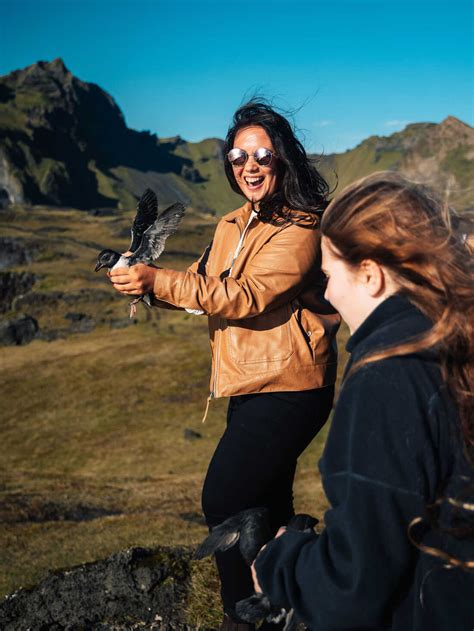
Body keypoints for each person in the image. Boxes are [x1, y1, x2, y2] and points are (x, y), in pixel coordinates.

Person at [108, 100, 340, 628]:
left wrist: (157, 282)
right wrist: (144, 282)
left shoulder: (301, 227)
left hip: (293, 385)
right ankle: (291, 588)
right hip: (249, 385)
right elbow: (201, 290)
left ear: (282, 158)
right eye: (237, 156)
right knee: (264, 499)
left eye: (261, 154)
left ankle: (243, 615)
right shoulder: (231, 223)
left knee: (224, 499)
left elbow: (248, 295)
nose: (249, 165)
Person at [252, 171, 474, 630]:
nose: (327, 294)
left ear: (370, 275)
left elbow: (352, 588)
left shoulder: (388, 375)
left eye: (330, 275)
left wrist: (280, 563)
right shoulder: (455, 338)